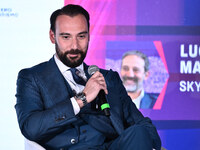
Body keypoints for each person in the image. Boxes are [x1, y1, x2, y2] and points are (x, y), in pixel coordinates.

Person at [15, 4, 161, 150]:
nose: (75, 46)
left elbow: (143, 125)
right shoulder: (32, 78)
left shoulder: (109, 78)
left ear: (89, 36)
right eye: (66, 37)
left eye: (81, 36)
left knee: (139, 132)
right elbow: (30, 127)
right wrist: (82, 99)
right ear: (53, 36)